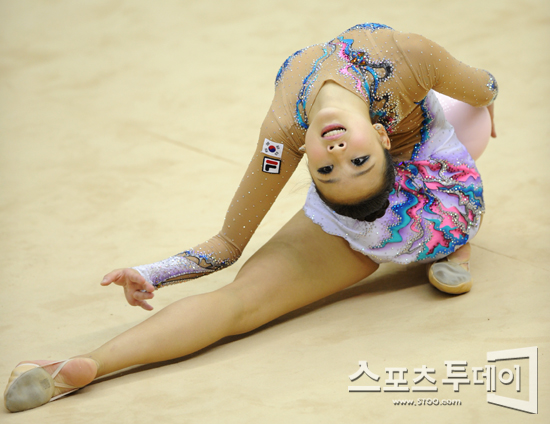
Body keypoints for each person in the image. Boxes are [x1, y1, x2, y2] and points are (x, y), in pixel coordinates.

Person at [4, 23, 497, 413]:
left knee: (432, 194)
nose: (338, 154)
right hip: (364, 213)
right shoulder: (299, 126)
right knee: (239, 304)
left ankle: (454, 242)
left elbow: (484, 86)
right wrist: (150, 273)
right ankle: (85, 365)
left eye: (341, 165)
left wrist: (485, 103)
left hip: (440, 187)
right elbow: (227, 244)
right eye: (335, 168)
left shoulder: (378, 75)